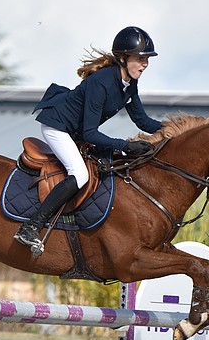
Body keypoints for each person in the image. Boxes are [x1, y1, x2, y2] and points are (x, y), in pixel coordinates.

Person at [14, 26, 163, 256]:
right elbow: (91, 133)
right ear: (123, 58)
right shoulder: (102, 82)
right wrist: (124, 145)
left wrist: (174, 130)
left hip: (76, 131)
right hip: (58, 126)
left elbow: (142, 120)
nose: (145, 64)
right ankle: (31, 227)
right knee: (80, 174)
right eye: (140, 58)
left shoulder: (129, 85)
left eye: (146, 59)